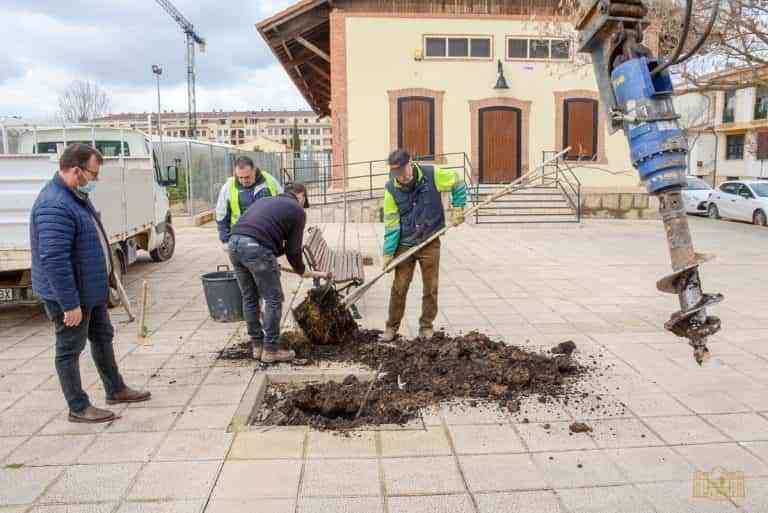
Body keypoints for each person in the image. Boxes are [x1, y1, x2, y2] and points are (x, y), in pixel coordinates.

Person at [30, 143, 151, 423]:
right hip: (72, 295)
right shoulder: (54, 204)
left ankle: (116, 388)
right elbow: (54, 259)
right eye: (93, 175)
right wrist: (69, 303)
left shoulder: (74, 197)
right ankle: (78, 406)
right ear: (76, 170)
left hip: (90, 289)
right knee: (69, 348)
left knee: (102, 337)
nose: (95, 180)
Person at [228, 183, 326, 363]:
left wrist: (273, 258)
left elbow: (270, 239)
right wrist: (302, 270)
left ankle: (257, 347)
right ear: (301, 196)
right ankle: (271, 350)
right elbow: (293, 250)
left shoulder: (267, 200)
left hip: (234, 244)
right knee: (273, 298)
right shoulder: (297, 210)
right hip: (255, 247)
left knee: (249, 297)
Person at [381, 149, 468, 342]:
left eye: (402, 171)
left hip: (430, 240)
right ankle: (391, 327)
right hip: (405, 244)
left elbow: (458, 181)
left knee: (431, 287)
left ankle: (426, 326)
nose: (400, 177)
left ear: (410, 163)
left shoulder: (432, 174)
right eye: (395, 173)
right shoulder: (391, 189)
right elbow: (392, 223)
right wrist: (388, 253)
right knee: (399, 287)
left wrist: (458, 206)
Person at [216, 156, 282, 251]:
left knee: (265, 263)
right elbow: (221, 215)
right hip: (241, 237)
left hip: (267, 236)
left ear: (254, 170)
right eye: (240, 177)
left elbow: (282, 204)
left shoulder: (269, 180)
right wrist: (225, 240)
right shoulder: (228, 187)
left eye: (247, 177)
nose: (244, 181)